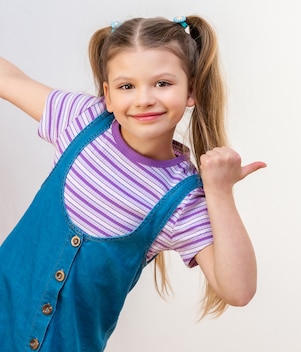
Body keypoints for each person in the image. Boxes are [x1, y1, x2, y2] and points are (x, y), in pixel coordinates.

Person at [0, 15, 265, 352]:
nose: (144, 99)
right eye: (127, 86)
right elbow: (8, 79)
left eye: (163, 83)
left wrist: (220, 192)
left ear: (191, 90)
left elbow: (238, 290)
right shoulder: (80, 120)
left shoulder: (182, 199)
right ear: (108, 95)